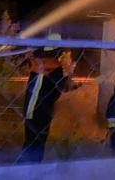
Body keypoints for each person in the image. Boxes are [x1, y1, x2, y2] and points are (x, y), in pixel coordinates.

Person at [18, 32, 78, 163]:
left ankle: (24, 169)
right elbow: (60, 88)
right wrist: (67, 72)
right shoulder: (53, 65)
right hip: (41, 109)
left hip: (33, 107)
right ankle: (30, 169)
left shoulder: (40, 63)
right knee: (37, 143)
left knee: (30, 142)